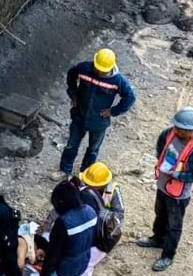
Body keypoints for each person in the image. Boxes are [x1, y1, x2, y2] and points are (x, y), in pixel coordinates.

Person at [136, 107, 193, 272]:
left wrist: (176, 174)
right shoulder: (169, 133)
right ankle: (157, 239)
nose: (179, 131)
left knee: (174, 225)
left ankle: (168, 255)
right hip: (163, 186)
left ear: (192, 130)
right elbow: (161, 145)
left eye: (184, 129)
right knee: (160, 213)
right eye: (178, 127)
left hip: (178, 194)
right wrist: (162, 162)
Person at [57, 48, 136, 179]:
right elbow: (72, 74)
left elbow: (130, 98)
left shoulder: (118, 81)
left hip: (99, 122)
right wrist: (73, 94)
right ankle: (64, 170)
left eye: (103, 71)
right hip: (79, 117)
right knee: (71, 145)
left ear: (110, 68)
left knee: (93, 150)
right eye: (98, 68)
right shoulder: (85, 68)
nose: (100, 72)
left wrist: (113, 111)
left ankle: (86, 174)